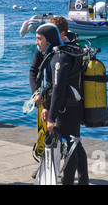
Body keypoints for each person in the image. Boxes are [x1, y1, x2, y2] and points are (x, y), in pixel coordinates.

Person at [33, 21, 89, 185]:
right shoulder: (56, 53)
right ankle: (81, 181)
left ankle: (68, 182)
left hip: (68, 109)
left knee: (70, 148)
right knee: (73, 144)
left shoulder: (59, 58)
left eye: (39, 39)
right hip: (69, 106)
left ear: (49, 39)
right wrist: (48, 108)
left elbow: (58, 89)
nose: (37, 42)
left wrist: (51, 117)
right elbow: (53, 87)